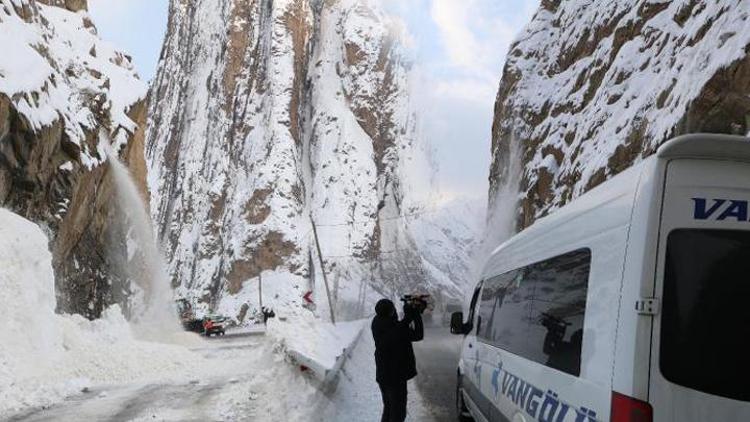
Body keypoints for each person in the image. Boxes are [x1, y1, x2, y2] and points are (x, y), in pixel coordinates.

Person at [371, 298, 424, 422]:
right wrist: (414, 315)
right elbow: (418, 334)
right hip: (396, 377)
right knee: (398, 414)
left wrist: (408, 317)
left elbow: (396, 329)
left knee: (389, 409)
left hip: (383, 376)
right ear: (391, 312)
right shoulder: (395, 328)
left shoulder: (377, 323)